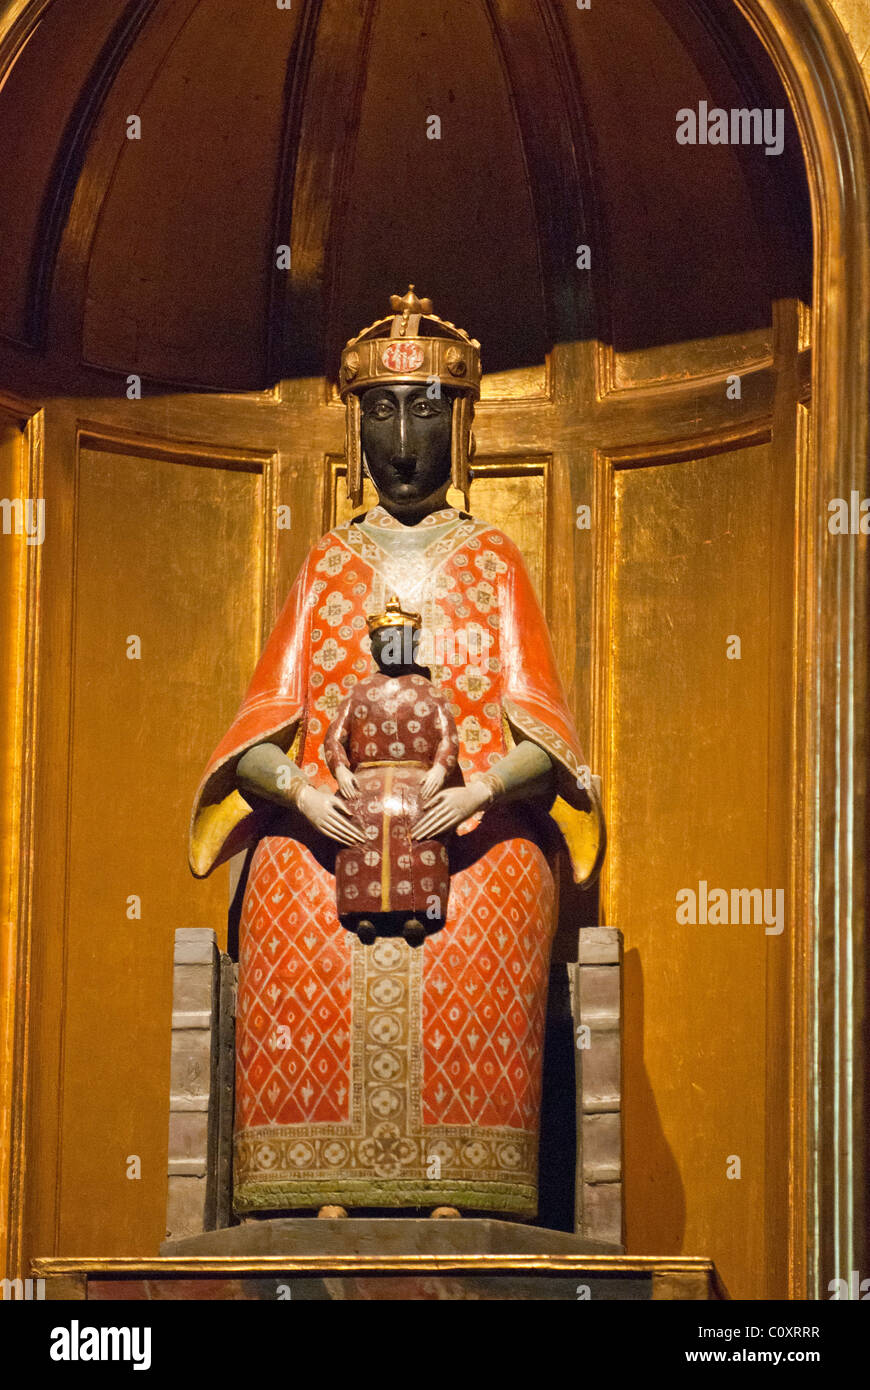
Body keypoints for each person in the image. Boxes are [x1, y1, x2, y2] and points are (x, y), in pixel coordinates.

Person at [189, 286, 604, 1219]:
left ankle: (467, 1180)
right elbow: (254, 733)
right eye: (382, 408)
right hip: (325, 833)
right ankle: (308, 1185)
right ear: (356, 428)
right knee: (282, 887)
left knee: (503, 877)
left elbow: (550, 737)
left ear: (459, 425)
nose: (403, 430)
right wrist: (303, 794)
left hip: (472, 832)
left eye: (424, 407)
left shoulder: (494, 560)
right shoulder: (328, 561)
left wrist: (479, 791)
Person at [324, 595, 460, 948]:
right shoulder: (358, 692)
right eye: (383, 641)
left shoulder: (429, 693)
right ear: (373, 646)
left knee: (425, 827)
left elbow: (448, 737)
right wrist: (340, 769)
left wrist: (438, 772)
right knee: (353, 826)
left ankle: (420, 912)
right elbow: (334, 736)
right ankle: (362, 913)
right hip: (363, 786)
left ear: (413, 644)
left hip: (419, 786)